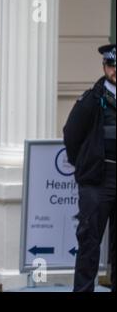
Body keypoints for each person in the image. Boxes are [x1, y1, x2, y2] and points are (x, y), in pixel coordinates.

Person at [63, 44, 116, 292]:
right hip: (98, 180)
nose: (115, 70)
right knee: (89, 242)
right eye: (111, 65)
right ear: (104, 67)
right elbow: (71, 135)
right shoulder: (91, 99)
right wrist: (85, 165)